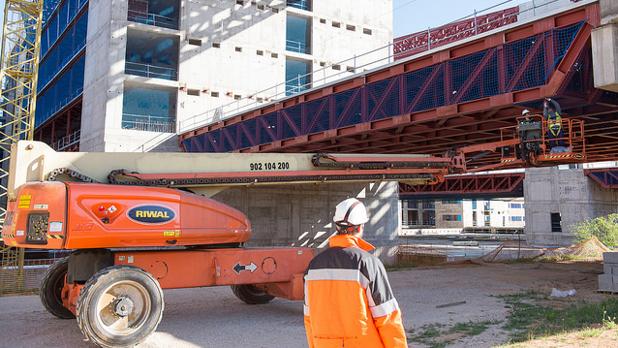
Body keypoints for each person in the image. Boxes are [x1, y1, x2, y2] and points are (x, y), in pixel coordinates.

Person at [303, 198, 407, 348]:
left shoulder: (313, 267)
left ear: (336, 226)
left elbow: (309, 318)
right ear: (360, 227)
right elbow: (387, 317)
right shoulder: (367, 263)